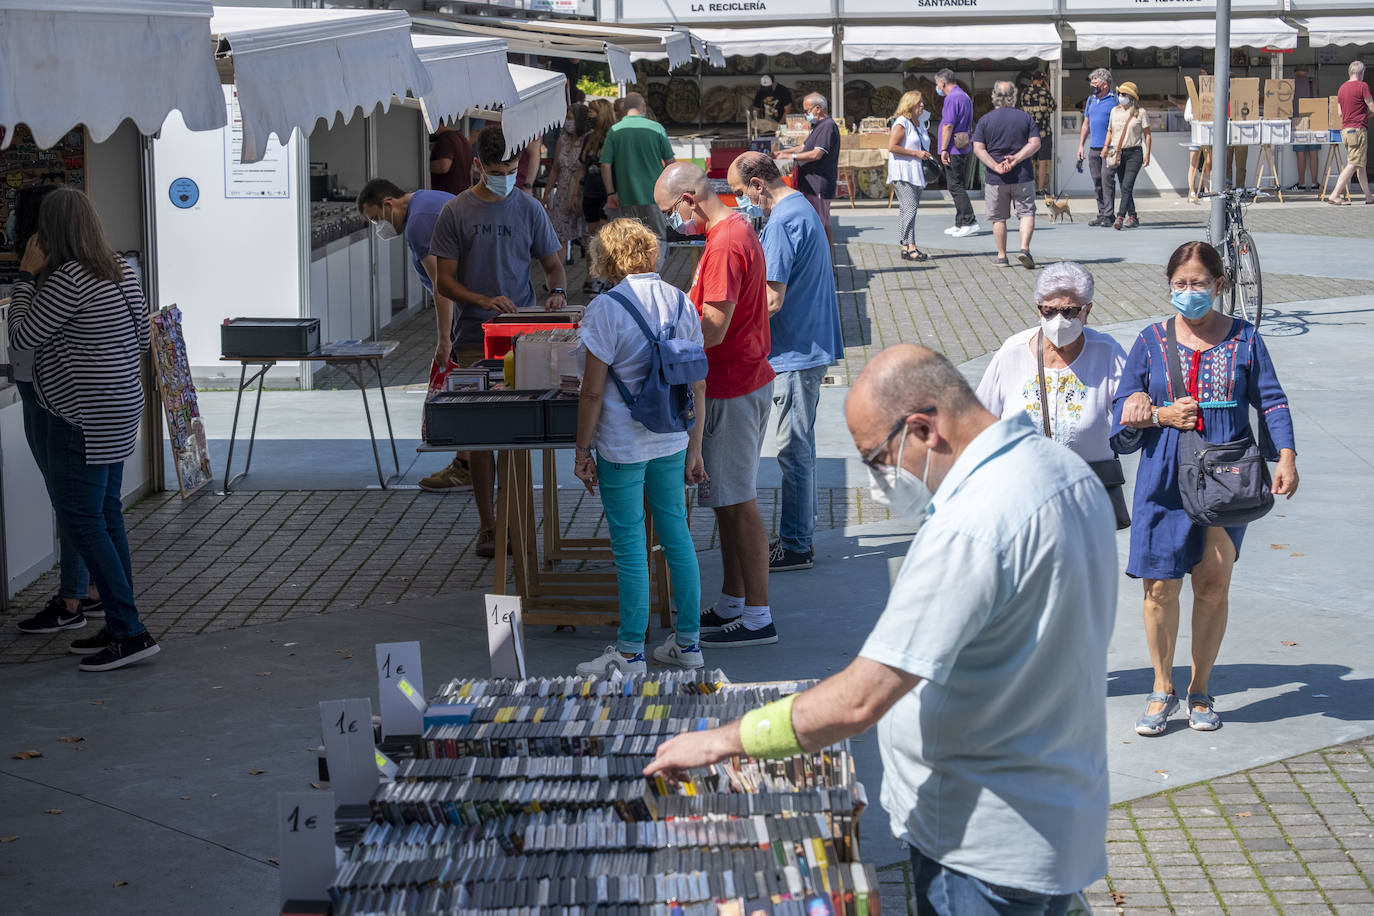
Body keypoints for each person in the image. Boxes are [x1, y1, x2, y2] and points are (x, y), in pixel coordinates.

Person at [645, 343, 1117, 915]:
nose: (877, 482)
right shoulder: (1063, 471)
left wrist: (721, 740)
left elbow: (861, 698)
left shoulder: (972, 526)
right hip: (1059, 819)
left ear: (922, 429)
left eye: (877, 457)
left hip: (982, 848)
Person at [1112, 241, 1299, 736]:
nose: (1188, 292)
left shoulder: (1245, 339)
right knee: (1160, 586)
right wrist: (1152, 411)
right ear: (1168, 285)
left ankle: (1200, 690)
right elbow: (1123, 410)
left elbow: (1271, 401)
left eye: (1198, 283)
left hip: (1226, 478)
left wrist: (1285, 455)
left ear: (1219, 284)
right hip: (1163, 476)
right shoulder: (1150, 340)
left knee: (1213, 585)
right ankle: (1161, 688)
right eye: (1180, 283)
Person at [7, 188, 160, 671]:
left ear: (48, 231)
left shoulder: (67, 279)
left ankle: (130, 631)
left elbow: (21, 336)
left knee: (83, 521)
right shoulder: (120, 270)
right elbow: (142, 338)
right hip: (119, 410)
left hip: (81, 418)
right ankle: (118, 623)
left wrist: (25, 276)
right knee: (106, 516)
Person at [571, 219, 708, 677]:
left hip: (621, 443)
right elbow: (697, 382)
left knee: (630, 545)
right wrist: (695, 447)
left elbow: (592, 392)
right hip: (671, 436)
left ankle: (630, 652)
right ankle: (688, 643)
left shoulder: (606, 308)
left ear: (605, 259)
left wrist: (581, 451)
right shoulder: (681, 301)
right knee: (677, 537)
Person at [429, 125, 568, 558]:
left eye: (511, 170)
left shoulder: (529, 208)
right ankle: (488, 525)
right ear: (478, 166)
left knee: (515, 435)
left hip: (522, 338)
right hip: (473, 337)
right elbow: (445, 281)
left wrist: (556, 292)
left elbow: (554, 266)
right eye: (497, 171)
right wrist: (482, 300)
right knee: (480, 436)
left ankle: (513, 520)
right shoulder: (456, 212)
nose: (505, 178)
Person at [653, 162, 777, 648]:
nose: (671, 222)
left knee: (739, 503)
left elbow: (713, 327)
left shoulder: (725, 242)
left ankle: (758, 616)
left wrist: (663, 350)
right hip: (735, 381)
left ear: (688, 199)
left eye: (670, 212)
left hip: (732, 384)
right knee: (726, 501)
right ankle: (733, 602)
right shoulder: (730, 231)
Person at [727, 152, 842, 574]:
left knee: (793, 450)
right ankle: (799, 534)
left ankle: (796, 544)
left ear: (758, 185)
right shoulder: (800, 207)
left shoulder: (781, 220)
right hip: (805, 345)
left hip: (796, 350)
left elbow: (771, 300)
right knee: (800, 448)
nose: (741, 201)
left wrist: (727, 323)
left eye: (740, 192)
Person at [10, 185, 105, 636]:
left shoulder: (56, 277)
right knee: (88, 505)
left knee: (69, 501)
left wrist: (22, 278)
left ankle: (72, 598)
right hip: (89, 404)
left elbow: (22, 338)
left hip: (48, 394)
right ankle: (88, 591)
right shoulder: (104, 269)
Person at [976, 261, 1128, 494]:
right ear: (1038, 309)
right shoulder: (1012, 352)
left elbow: (1130, 413)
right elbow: (980, 421)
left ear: (1086, 311)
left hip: (1088, 492)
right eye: (1049, 310)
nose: (1058, 320)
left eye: (1069, 311)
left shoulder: (1106, 352)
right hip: (1023, 492)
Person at [356, 178, 467, 491]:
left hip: (467, 311)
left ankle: (467, 466)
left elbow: (443, 287)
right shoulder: (428, 200)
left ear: (388, 204)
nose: (379, 227)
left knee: (464, 389)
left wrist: (444, 340)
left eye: (376, 218)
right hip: (478, 301)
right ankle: (468, 463)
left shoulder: (418, 223)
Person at [972, 80, 1041, 270]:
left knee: (998, 217)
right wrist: (1016, 158)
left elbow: (978, 148)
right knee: (1026, 213)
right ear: (1014, 96)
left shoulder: (985, 120)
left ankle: (1002, 256)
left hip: (996, 178)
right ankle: (1024, 249)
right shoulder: (1025, 118)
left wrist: (995, 166)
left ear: (994, 96)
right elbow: (1035, 143)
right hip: (1022, 175)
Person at [601, 92, 675, 263]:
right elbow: (671, 163)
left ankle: (633, 274)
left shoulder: (615, 131)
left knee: (631, 242)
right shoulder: (656, 128)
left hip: (626, 198)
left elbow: (605, 165)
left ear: (624, 108)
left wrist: (611, 193)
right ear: (643, 107)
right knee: (658, 239)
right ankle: (654, 272)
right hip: (655, 196)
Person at [776, 93, 840, 248]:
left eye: (807, 111)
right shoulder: (819, 126)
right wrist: (782, 153)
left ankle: (824, 259)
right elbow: (804, 147)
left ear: (818, 109)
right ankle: (828, 259)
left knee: (819, 225)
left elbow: (816, 154)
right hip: (811, 184)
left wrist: (791, 156)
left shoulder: (827, 126)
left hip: (818, 184)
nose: (806, 114)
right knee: (823, 223)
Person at [886, 90, 936, 262]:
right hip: (903, 172)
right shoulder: (902, 122)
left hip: (915, 171)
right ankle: (910, 245)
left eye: (922, 102)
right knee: (910, 208)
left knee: (906, 209)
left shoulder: (919, 123)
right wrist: (916, 153)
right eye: (918, 102)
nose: (922, 105)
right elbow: (892, 147)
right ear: (910, 104)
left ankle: (906, 247)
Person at [1100, 81, 1151, 230]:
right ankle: (1133, 216)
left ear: (1131, 96)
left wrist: (1148, 153)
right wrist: (1105, 147)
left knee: (1127, 185)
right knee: (1124, 187)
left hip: (1134, 152)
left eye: (1123, 94)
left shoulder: (1140, 112)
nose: (1120, 96)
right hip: (1118, 153)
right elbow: (1110, 131)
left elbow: (1147, 134)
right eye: (1119, 93)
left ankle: (1120, 217)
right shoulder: (1114, 111)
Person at [934, 70, 979, 238]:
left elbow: (948, 125)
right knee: (956, 184)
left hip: (953, 147)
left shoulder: (952, 97)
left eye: (937, 84)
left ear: (942, 82)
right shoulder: (964, 95)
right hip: (962, 144)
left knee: (955, 186)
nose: (937, 88)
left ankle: (969, 221)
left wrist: (943, 149)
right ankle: (960, 221)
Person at [578, 98, 615, 294]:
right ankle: (591, 275)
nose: (589, 115)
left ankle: (607, 276)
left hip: (606, 193)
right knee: (592, 238)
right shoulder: (588, 138)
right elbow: (582, 168)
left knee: (605, 237)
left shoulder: (613, 136)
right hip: (590, 192)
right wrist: (576, 193)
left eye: (593, 112)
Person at [543, 102, 591, 252]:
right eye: (566, 118)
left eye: (570, 118)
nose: (567, 122)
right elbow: (555, 169)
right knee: (559, 236)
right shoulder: (562, 140)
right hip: (562, 194)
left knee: (588, 239)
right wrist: (546, 193)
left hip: (580, 193)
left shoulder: (589, 140)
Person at [1077, 67, 1120, 227]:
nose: (1092, 85)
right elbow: (1086, 124)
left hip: (1109, 148)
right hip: (1094, 147)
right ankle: (1101, 213)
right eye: (1091, 82)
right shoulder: (1090, 100)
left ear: (1105, 84)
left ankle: (1109, 215)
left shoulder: (1115, 100)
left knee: (1107, 179)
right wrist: (1081, 146)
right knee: (1097, 180)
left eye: (1095, 82)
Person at [1328, 60, 1374, 206]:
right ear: (1362, 72)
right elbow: (1372, 107)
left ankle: (1368, 196)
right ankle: (1335, 194)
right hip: (1358, 130)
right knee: (1354, 163)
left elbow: (1340, 113)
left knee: (1360, 164)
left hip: (1346, 131)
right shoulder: (1363, 86)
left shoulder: (1341, 88)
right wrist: (1365, 115)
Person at [1019, 69, 1057, 194]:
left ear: (1032, 79)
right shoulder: (1045, 92)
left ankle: (1028, 188)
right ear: (1042, 80)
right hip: (1043, 132)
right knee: (1042, 162)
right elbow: (1053, 107)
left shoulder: (1025, 92)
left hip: (1028, 133)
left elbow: (1021, 110)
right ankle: (1040, 189)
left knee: (1029, 161)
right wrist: (1048, 89)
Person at [1290, 67, 1321, 192]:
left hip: (1298, 122)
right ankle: (1314, 183)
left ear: (1295, 73)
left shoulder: (1292, 84)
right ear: (1307, 73)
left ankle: (1301, 183)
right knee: (1314, 153)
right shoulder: (1312, 82)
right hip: (1314, 121)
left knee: (1300, 154)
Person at [429, 123, 473, 196]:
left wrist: (423, 165)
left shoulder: (445, 139)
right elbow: (470, 171)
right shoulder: (463, 139)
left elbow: (443, 166)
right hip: (463, 194)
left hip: (446, 195)